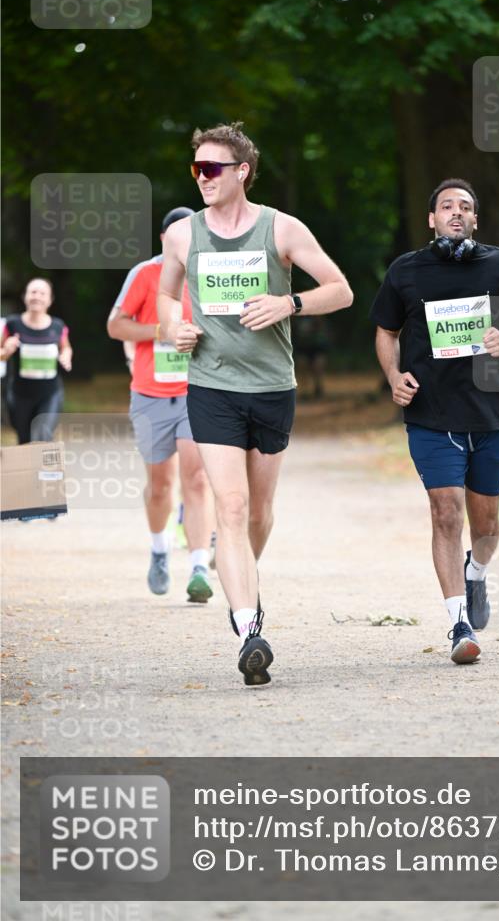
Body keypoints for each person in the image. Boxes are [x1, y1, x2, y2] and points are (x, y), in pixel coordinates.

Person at [157, 121, 353, 686]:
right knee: (233, 507)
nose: (202, 178)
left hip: (271, 387)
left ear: (241, 171)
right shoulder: (183, 236)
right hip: (212, 386)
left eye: (212, 168)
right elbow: (168, 296)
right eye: (196, 169)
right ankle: (248, 627)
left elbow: (340, 289)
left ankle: (238, 574)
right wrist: (176, 328)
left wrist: (287, 303)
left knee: (259, 513)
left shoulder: (282, 229)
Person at [371, 178, 499, 665]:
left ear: (475, 219)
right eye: (446, 205)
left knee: (486, 525)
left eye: (465, 206)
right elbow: (386, 332)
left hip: (490, 413)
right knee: (446, 512)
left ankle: (477, 574)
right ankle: (458, 624)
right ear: (431, 218)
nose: (455, 212)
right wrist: (393, 374)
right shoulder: (406, 271)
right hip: (430, 413)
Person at [107, 207, 215, 603]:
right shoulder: (144, 274)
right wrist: (161, 330)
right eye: (173, 237)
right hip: (150, 393)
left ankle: (200, 566)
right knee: (160, 485)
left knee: (197, 477)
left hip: (197, 391)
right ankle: (159, 551)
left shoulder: (209, 274)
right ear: (163, 240)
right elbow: (115, 325)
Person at [1, 278, 72, 443]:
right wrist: (7, 350)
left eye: (42, 293)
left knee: (42, 434)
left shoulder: (58, 326)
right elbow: (1, 354)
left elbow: (66, 347)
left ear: (50, 300)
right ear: (25, 296)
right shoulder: (12, 324)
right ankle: (28, 470)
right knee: (24, 439)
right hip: (20, 395)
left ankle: (47, 470)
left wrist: (66, 356)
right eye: (33, 292)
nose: (37, 297)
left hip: (50, 394)